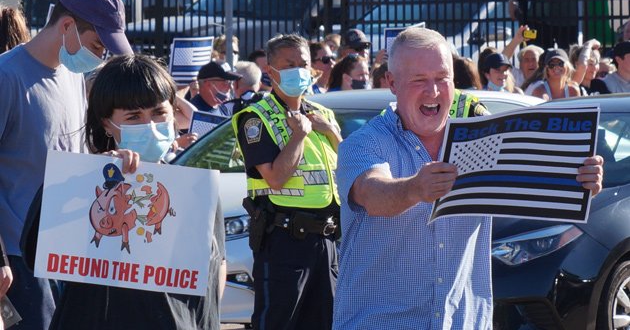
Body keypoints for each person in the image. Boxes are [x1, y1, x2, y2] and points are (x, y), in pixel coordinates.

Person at [332, 26, 603, 329]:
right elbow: (372, 194)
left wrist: (577, 182)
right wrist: (415, 189)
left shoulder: (481, 140)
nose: (433, 91)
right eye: (419, 80)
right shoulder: (363, 142)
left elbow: (528, 198)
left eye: (442, 78)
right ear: (392, 83)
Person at [48, 54, 226, 329]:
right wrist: (99, 175)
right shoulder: (82, 182)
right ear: (107, 123)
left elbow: (216, 268)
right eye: (133, 117)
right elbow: (42, 245)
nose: (151, 126)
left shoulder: (195, 186)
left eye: (158, 112)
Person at [0, 0, 133, 328]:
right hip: (19, 260)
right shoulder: (6, 77)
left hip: (67, 253)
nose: (100, 57)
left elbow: (70, 157)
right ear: (67, 26)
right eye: (97, 46)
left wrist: (110, 163)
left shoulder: (73, 78)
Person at [232, 33, 342, 330]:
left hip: (327, 240)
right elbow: (277, 178)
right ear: (271, 71)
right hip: (285, 240)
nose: (299, 70)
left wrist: (331, 132)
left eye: (303, 63)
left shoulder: (324, 115)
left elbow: (347, 169)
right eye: (289, 64)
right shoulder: (256, 118)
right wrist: (299, 135)